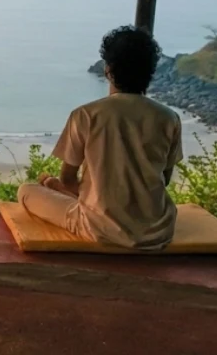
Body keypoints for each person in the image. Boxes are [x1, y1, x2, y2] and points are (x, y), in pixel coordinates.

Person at [17, 26, 183, 251]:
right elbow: (164, 178)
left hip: (98, 228)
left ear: (108, 70)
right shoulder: (169, 118)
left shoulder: (85, 115)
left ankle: (55, 190)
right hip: (157, 231)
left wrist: (72, 192)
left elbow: (68, 179)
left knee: (26, 191)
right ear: (150, 73)